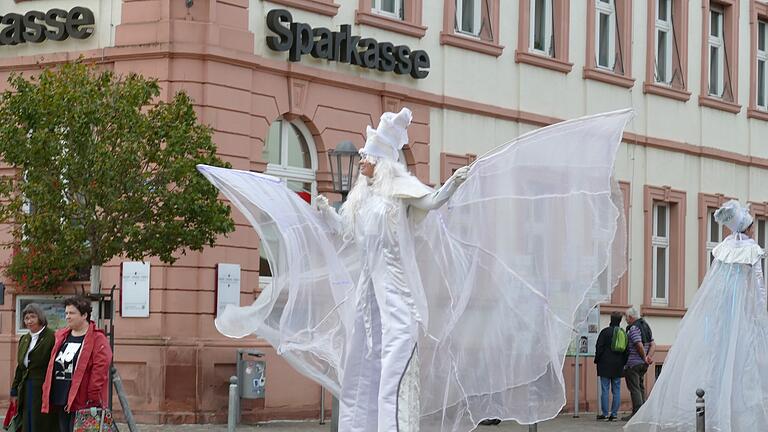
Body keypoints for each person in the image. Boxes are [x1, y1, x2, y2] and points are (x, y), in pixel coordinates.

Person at [199, 108, 632, 431]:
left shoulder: (398, 196)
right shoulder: (363, 202)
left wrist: (453, 185)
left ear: (383, 163)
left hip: (400, 307)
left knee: (392, 377)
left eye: (368, 157)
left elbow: (429, 201)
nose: (362, 162)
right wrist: (321, 211)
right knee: (359, 373)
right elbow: (343, 234)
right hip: (369, 307)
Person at [625, 200, 768, 431]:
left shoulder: (725, 247)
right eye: (752, 226)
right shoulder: (750, 248)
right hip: (741, 315)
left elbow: (715, 286)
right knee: (743, 363)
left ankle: (716, 413)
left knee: (719, 360)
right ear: (748, 227)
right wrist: (759, 317)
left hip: (723, 315)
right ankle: (731, 417)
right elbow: (757, 289)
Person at [41, 296, 113, 432]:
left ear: (84, 315)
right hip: (61, 397)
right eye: (66, 313)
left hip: (82, 400)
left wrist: (93, 397)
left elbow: (100, 370)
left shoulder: (98, 339)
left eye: (72, 313)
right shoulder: (62, 336)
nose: (67, 316)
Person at [10, 304, 57, 432]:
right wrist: (14, 390)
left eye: (32, 317)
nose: (29, 321)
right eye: (26, 318)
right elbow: (20, 367)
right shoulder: (24, 339)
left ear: (40, 317)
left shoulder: (52, 337)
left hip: (43, 388)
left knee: (41, 423)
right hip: (26, 387)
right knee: (27, 422)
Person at [622, 307, 655, 421]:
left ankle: (637, 414)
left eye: (626, 318)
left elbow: (638, 344)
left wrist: (644, 357)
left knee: (634, 388)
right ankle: (643, 413)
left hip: (633, 363)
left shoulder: (634, 328)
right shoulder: (645, 326)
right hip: (643, 364)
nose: (626, 320)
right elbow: (653, 344)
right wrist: (648, 357)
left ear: (631, 317)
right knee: (640, 387)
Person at [594, 312, 626, 421]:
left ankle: (605, 413)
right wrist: (623, 362)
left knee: (605, 389)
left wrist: (597, 360)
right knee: (616, 390)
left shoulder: (605, 332)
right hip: (618, 365)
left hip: (604, 365)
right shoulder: (622, 333)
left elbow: (599, 347)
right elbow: (626, 350)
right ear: (620, 321)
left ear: (610, 319)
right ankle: (614, 414)